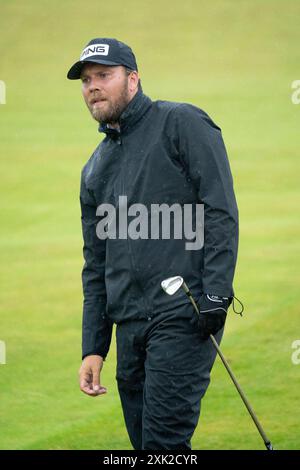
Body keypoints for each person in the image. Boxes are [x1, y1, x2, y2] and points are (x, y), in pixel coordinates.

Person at [67, 37, 239, 450]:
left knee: (163, 445)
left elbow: (220, 210)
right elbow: (96, 264)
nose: (93, 86)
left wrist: (216, 292)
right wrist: (94, 347)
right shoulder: (95, 168)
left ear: (133, 79)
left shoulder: (181, 123)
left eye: (104, 76)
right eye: (87, 79)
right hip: (129, 326)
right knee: (145, 446)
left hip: (185, 314)